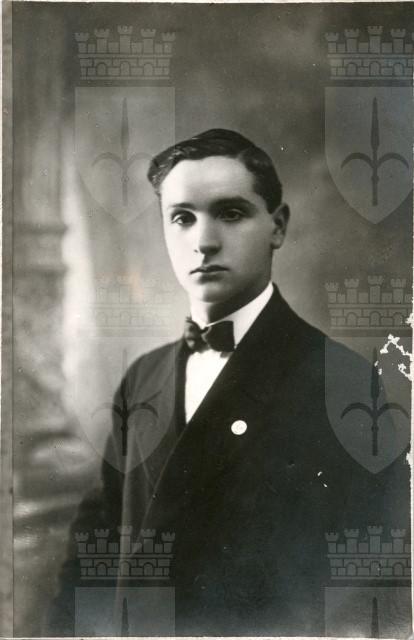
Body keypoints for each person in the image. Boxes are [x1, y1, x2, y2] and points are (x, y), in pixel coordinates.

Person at [48, 129, 410, 636]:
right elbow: (97, 541)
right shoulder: (143, 378)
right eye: (182, 218)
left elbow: (375, 576)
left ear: (277, 226)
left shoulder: (341, 382)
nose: (203, 241)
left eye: (231, 213)